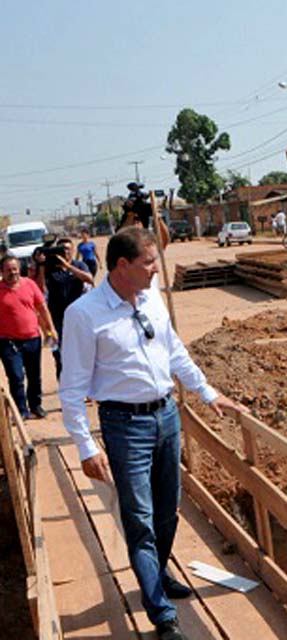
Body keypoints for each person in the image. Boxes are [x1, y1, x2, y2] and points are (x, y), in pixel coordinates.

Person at [59, 227, 247, 640]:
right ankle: (162, 615)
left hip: (166, 415)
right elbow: (71, 389)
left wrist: (207, 392)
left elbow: (173, 350)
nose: (156, 269)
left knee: (167, 510)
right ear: (122, 265)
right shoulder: (84, 314)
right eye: (148, 262)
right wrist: (86, 447)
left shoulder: (151, 297)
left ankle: (157, 573)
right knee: (140, 518)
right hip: (125, 426)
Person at [0, 254, 56, 420]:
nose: (13, 272)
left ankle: (35, 405)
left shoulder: (30, 284)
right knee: (16, 376)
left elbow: (42, 308)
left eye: (15, 269)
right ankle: (21, 410)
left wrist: (51, 329)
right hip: (8, 341)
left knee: (34, 375)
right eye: (8, 270)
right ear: (2, 272)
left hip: (32, 338)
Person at [46, 238, 93, 379]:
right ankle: (64, 383)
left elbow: (89, 279)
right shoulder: (50, 268)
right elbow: (40, 287)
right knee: (60, 354)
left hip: (78, 317)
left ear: (73, 250)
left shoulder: (79, 265)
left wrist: (68, 266)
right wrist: (42, 265)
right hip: (57, 318)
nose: (65, 252)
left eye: (67, 249)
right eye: (61, 249)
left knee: (82, 351)